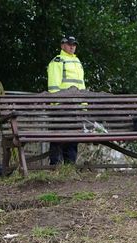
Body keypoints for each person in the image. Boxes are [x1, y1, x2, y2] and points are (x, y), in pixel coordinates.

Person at [47, 35, 85, 165]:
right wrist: (57, 103)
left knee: (73, 138)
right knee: (58, 137)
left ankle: (70, 166)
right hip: (62, 106)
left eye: (74, 45)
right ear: (62, 45)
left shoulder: (77, 61)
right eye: (69, 44)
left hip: (75, 106)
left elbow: (81, 84)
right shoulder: (58, 60)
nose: (72, 47)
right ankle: (55, 165)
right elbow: (53, 85)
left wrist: (83, 104)